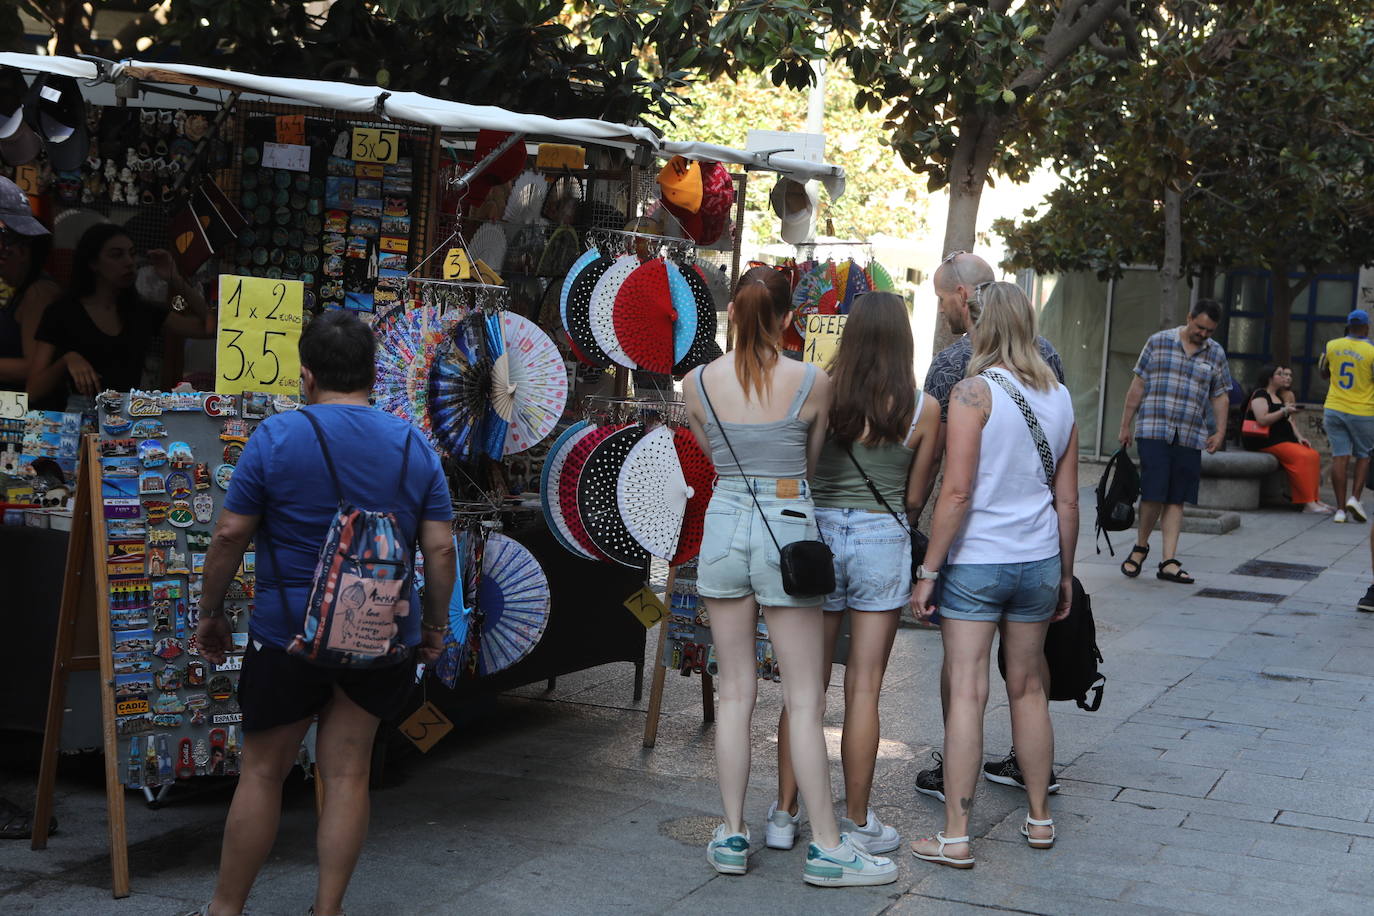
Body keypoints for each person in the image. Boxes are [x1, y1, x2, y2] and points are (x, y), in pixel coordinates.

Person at [187, 311, 457, 916]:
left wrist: (210, 611)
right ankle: (327, 909)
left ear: (306, 376)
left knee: (262, 773)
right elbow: (440, 548)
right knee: (347, 775)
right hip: (380, 633)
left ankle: (225, 909)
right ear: (372, 376)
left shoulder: (277, 438)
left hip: (286, 634)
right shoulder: (414, 443)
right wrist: (435, 630)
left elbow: (230, 534)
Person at [683, 266, 896, 887]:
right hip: (788, 525)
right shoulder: (812, 381)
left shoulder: (696, 383)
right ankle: (829, 848)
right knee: (804, 698)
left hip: (723, 524)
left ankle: (729, 834)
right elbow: (807, 461)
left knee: (733, 694)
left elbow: (714, 456)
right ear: (787, 318)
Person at [910, 281, 1078, 869]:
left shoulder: (971, 393)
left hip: (978, 561)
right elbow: (1068, 502)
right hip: (1038, 561)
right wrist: (1064, 574)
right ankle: (1039, 819)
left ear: (981, 326)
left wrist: (929, 569)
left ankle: (956, 836)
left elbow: (955, 492)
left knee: (967, 692)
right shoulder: (1060, 396)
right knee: (1029, 689)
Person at [770, 291, 939, 856]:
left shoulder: (821, 389)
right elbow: (915, 499)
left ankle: (784, 813)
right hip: (882, 542)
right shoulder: (924, 408)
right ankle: (859, 820)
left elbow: (800, 468)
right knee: (864, 687)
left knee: (805, 686)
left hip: (816, 539)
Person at [27, 223, 213, 411]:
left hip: (124, 422)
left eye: (132, 254)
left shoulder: (142, 311)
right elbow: (33, 390)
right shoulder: (62, 312)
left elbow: (210, 329)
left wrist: (174, 279)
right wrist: (67, 360)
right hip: (76, 424)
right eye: (117, 255)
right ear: (93, 263)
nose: (129, 262)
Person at [1118, 299, 1230, 585]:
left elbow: (1219, 395)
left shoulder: (1215, 354)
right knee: (1154, 493)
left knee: (1176, 497)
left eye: (1210, 331)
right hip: (1154, 428)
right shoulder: (1158, 342)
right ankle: (1140, 547)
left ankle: (1168, 560)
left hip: (1191, 433)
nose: (1203, 334)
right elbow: (1137, 385)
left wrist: (1219, 431)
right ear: (1189, 317)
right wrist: (1124, 425)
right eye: (1200, 327)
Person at [1242, 364, 1331, 514]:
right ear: (1270, 378)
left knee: (1313, 455)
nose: (1284, 377)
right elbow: (1262, 420)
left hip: (1283, 439)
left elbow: (1290, 421)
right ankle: (1307, 502)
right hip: (1266, 440)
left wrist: (1300, 437)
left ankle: (1315, 499)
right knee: (1302, 456)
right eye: (1280, 374)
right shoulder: (1260, 395)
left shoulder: (1278, 396)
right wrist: (1283, 411)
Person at [0, 177, 60, 396]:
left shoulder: (38, 293)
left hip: (18, 411)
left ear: (23, 252)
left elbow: (33, 367)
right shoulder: (23, 288)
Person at [1319, 311, 1374, 523]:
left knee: (1339, 457)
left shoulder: (1332, 345)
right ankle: (1355, 499)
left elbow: (1323, 372)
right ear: (1366, 327)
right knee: (1363, 455)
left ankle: (1340, 510)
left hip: (1334, 407)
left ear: (1348, 325)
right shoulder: (1371, 351)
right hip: (1363, 411)